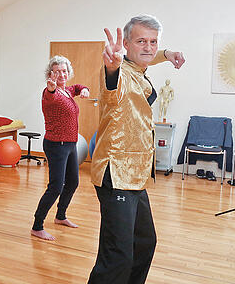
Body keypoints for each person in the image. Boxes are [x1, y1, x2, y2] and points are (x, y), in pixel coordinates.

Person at [88, 15, 185, 284]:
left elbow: (144, 57)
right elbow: (112, 84)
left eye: (153, 42)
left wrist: (167, 53)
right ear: (127, 44)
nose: (148, 47)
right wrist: (111, 66)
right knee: (117, 254)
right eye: (141, 41)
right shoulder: (119, 72)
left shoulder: (138, 68)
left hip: (136, 175)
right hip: (116, 173)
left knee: (144, 243)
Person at [31, 56, 89, 241]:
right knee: (55, 187)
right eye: (57, 71)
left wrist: (85, 89)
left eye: (64, 71)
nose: (61, 74)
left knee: (73, 182)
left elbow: (78, 87)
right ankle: (37, 226)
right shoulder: (52, 93)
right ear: (50, 74)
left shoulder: (67, 91)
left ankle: (60, 216)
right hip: (56, 145)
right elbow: (50, 94)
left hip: (71, 144)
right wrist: (51, 87)